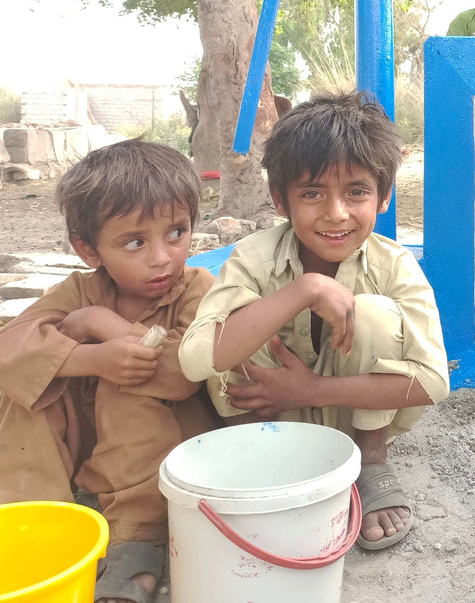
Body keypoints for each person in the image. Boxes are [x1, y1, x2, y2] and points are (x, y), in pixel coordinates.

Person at [178, 91, 450, 551]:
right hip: (264, 416)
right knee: (239, 320)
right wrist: (303, 291)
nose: (336, 213)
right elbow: (195, 360)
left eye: (357, 192)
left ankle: (369, 460)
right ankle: (260, 460)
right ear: (279, 200)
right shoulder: (253, 257)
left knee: (376, 312)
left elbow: (433, 382)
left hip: (347, 415)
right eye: (312, 193)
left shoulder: (396, 264)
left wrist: (311, 391)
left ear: (383, 197)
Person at [0, 139, 215, 603]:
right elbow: (8, 350)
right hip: (93, 448)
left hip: (173, 441)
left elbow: (182, 374)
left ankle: (139, 538)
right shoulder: (79, 288)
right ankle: (37, 522)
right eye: (135, 242)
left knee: (128, 382)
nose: (162, 257)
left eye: (176, 232)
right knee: (22, 393)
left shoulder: (199, 288)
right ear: (88, 249)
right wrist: (88, 358)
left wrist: (99, 325)